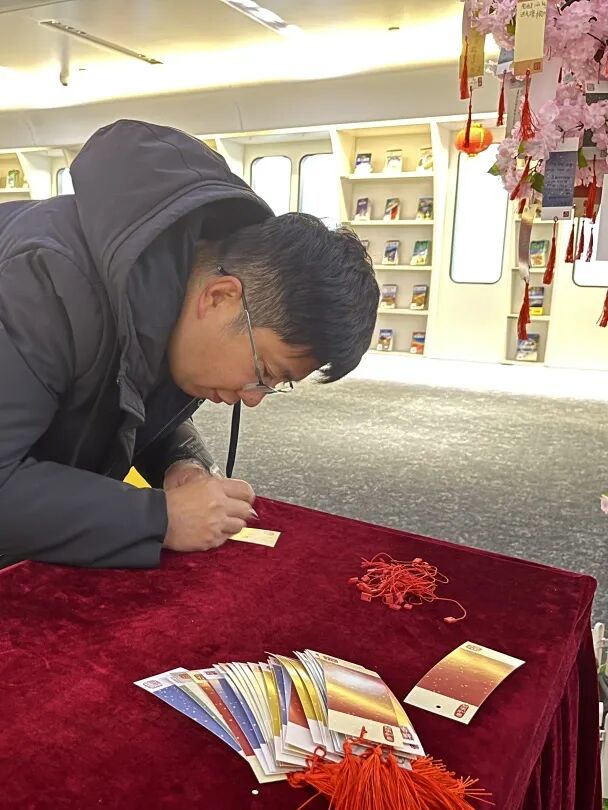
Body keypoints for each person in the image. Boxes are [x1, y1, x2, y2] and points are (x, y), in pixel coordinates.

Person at [0, 119, 379, 569]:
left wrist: (181, 462)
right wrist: (158, 518)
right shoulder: (44, 283)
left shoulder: (169, 279)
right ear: (220, 297)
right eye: (264, 372)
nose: (253, 398)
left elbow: (129, 391)